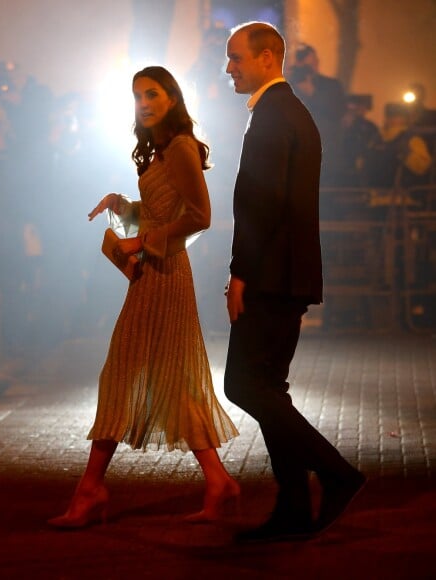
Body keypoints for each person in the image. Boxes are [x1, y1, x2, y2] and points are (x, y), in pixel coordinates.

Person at [48, 66, 240, 529]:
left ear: (172, 97)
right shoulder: (162, 149)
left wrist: (141, 241)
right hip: (155, 275)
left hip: (165, 274)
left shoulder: (180, 148)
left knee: (125, 373)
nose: (144, 103)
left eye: (152, 94)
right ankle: (217, 481)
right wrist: (124, 209)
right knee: (168, 378)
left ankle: (91, 490)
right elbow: (161, 213)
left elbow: (200, 216)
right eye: (137, 96)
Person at [223, 22, 365, 542]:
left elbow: (260, 204)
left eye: (236, 58)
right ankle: (292, 508)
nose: (229, 68)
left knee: (243, 385)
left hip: (271, 276)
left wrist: (239, 272)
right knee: (266, 388)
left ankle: (336, 473)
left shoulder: (273, 117)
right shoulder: (291, 114)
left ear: (267, 59)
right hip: (289, 273)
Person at [289, 43, 345, 186]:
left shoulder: (331, 86)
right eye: (302, 64)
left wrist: (312, 93)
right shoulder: (287, 86)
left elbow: (336, 111)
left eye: (311, 61)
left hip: (325, 152)